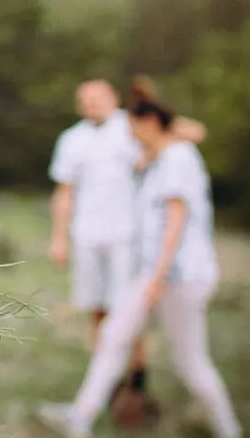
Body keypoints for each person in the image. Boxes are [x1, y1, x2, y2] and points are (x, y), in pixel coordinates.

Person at [37, 89, 239, 438]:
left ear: (148, 123)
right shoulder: (157, 160)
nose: (129, 134)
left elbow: (176, 222)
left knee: (190, 362)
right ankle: (79, 418)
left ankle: (228, 428)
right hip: (152, 275)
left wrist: (157, 279)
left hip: (180, 277)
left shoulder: (179, 158)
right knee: (113, 336)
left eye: (133, 126)